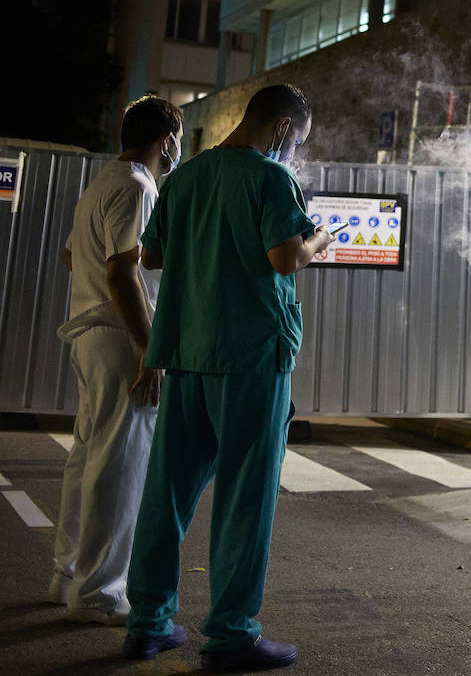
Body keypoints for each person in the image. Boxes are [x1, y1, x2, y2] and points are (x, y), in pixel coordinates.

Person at [122, 84, 335, 672]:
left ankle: (147, 624)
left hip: (188, 350)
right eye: (297, 140)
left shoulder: (185, 178)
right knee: (246, 496)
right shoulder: (270, 177)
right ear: (281, 128)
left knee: (167, 492)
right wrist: (321, 237)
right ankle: (232, 633)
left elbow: (152, 256)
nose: (294, 152)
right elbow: (285, 257)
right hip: (251, 356)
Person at [49, 95, 182, 624]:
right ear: (167, 139)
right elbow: (123, 271)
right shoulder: (138, 185)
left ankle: (68, 575)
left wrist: (93, 290)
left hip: (91, 336)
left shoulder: (103, 182)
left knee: (88, 458)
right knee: (120, 464)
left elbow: (70, 253)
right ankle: (101, 592)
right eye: (180, 138)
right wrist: (149, 346)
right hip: (118, 338)